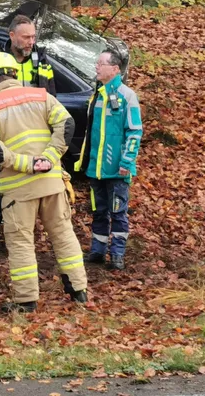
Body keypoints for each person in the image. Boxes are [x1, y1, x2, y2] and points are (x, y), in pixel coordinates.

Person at [0, 51, 87, 313]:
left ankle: (26, 301)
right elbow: (67, 124)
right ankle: (79, 290)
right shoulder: (42, 95)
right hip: (51, 182)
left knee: (21, 241)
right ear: (16, 73)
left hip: (19, 188)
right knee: (63, 234)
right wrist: (50, 157)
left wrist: (23, 164)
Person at [0, 15, 56, 253]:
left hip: (35, 134)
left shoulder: (41, 61)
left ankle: (25, 229)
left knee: (35, 180)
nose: (31, 41)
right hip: (4, 133)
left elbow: (51, 96)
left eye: (33, 36)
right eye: (26, 37)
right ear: (12, 36)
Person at [74, 49, 143, 271]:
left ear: (114, 69)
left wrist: (126, 162)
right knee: (99, 210)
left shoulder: (127, 96)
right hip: (96, 168)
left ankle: (117, 254)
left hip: (117, 170)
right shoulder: (98, 95)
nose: (96, 66)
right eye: (97, 63)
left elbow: (134, 131)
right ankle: (98, 250)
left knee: (118, 211)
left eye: (101, 63)